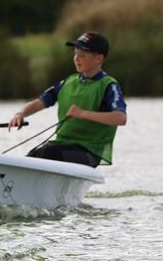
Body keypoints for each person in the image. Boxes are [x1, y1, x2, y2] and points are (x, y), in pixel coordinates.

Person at [8, 31, 126, 167]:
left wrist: (83, 114)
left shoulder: (109, 85)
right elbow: (40, 102)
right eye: (75, 54)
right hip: (61, 147)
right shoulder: (68, 82)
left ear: (98, 58)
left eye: (82, 55)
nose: (76, 58)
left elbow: (121, 118)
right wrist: (21, 114)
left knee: (47, 153)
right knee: (34, 155)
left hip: (89, 152)